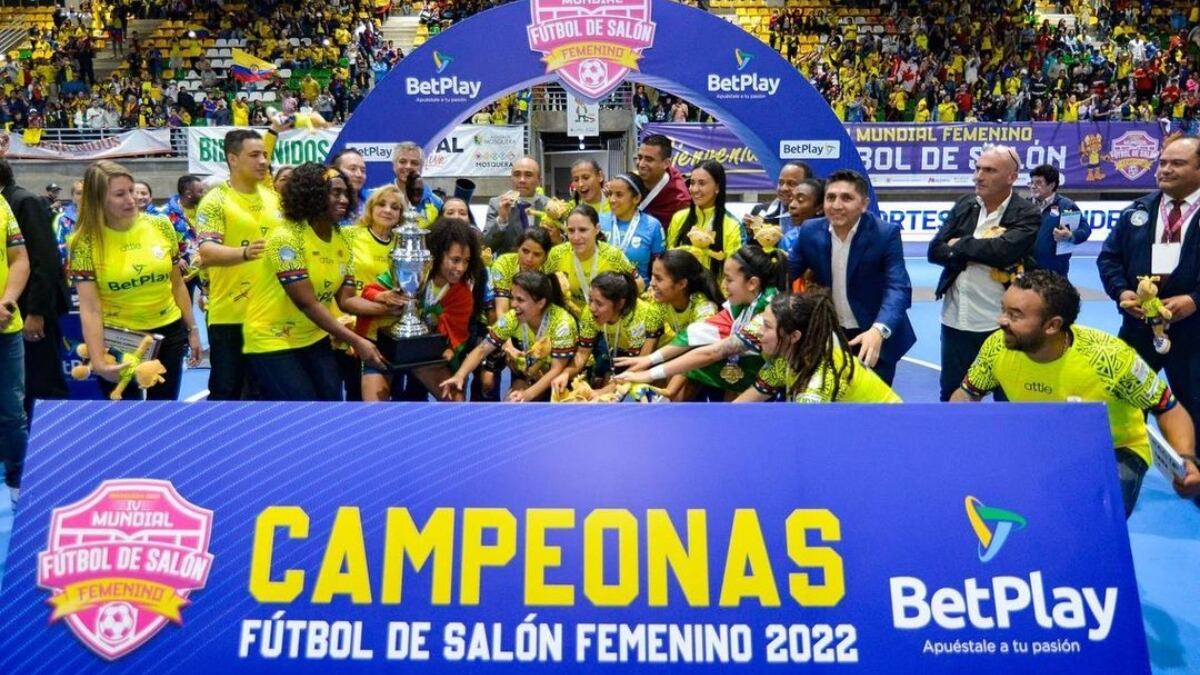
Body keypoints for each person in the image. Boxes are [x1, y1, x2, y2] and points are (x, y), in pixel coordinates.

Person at [952, 270, 1200, 517]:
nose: (1001, 321)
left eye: (1015, 315)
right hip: (1041, 441)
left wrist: (1186, 458)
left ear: (1052, 325)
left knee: (1095, 521)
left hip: (1114, 449)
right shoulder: (997, 346)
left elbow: (1167, 407)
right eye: (1004, 309)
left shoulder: (1109, 358)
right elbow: (966, 396)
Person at [241, 164, 389, 401]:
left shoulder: (341, 239)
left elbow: (346, 300)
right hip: (272, 338)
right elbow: (307, 303)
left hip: (312, 336)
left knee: (330, 401)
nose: (343, 199)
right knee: (303, 406)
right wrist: (357, 341)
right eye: (334, 192)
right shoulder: (286, 238)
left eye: (345, 194)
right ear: (312, 194)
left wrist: (386, 303)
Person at [68, 161, 202, 401]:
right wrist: (98, 360)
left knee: (163, 411)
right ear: (98, 199)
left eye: (131, 190)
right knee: (125, 413)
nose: (131, 199)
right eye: (120, 194)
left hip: (168, 334)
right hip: (119, 339)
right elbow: (89, 308)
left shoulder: (160, 225)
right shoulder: (83, 242)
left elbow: (177, 284)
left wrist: (192, 330)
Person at [1098, 136, 1200, 420]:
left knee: (1196, 409)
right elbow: (1109, 258)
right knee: (1123, 406)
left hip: (1194, 333)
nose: (1165, 169)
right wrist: (1122, 293)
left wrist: (1194, 300)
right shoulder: (1137, 211)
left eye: (1177, 163)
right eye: (1163, 162)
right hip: (1138, 330)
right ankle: (1127, 461)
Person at [927, 145, 1040, 401]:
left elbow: (1003, 252)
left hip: (1002, 326)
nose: (978, 176)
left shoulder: (1027, 213)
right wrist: (981, 250)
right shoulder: (965, 205)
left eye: (989, 170)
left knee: (1008, 397)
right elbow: (935, 250)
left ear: (1011, 177)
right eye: (978, 169)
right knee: (953, 395)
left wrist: (960, 245)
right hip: (956, 322)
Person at [787, 170, 914, 385]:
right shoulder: (809, 231)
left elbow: (898, 288)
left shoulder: (885, 234)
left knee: (871, 411)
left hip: (874, 338)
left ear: (864, 204)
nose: (836, 205)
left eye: (846, 198)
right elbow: (786, 272)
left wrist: (879, 330)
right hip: (829, 335)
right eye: (830, 197)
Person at [617, 245, 787, 399]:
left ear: (752, 283)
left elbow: (712, 353)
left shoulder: (767, 312)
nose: (724, 285)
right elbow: (696, 333)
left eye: (729, 279)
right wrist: (649, 360)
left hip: (788, 380)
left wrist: (650, 374)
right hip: (768, 378)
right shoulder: (744, 305)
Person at [196, 129, 282, 401]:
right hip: (231, 316)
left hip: (272, 317)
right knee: (226, 393)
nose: (263, 161)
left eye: (265, 155)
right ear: (233, 159)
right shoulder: (215, 201)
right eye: (254, 155)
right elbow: (206, 252)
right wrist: (244, 253)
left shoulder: (273, 198)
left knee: (268, 394)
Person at [362, 216, 486, 401]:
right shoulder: (409, 270)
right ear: (436, 253)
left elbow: (457, 335)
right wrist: (383, 296)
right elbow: (369, 291)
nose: (460, 268)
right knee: (372, 411)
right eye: (455, 259)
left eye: (466, 261)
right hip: (388, 351)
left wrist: (450, 350)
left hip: (428, 357)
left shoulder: (461, 293)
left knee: (456, 402)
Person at [735, 290, 901, 403]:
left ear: (794, 336)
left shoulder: (820, 381)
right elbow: (741, 405)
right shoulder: (785, 361)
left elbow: (804, 436)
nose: (759, 332)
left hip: (889, 428)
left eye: (767, 326)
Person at [0, 160, 69, 420]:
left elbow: (46, 261)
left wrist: (36, 313)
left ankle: (54, 449)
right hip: (11, 312)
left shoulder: (23, 201)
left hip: (32, 310)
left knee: (43, 384)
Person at [440, 271, 576, 402]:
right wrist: (459, 376)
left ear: (540, 303)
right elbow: (482, 349)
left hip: (562, 381)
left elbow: (557, 370)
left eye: (520, 300)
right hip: (532, 375)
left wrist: (526, 395)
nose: (513, 304)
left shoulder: (562, 323)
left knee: (523, 401)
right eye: (512, 298)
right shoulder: (513, 317)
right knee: (512, 401)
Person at [552, 271, 663, 394]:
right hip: (627, 356)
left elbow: (641, 366)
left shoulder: (640, 317)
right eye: (590, 300)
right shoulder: (589, 314)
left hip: (660, 359)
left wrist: (603, 391)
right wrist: (565, 374)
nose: (592, 308)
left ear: (620, 304)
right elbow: (582, 354)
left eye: (599, 303)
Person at [346, 185, 404, 401]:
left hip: (389, 331)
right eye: (382, 204)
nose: (388, 210)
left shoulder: (403, 246)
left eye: (395, 207)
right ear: (370, 208)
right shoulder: (350, 235)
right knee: (351, 394)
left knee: (387, 395)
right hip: (350, 327)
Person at [543, 204, 635, 318]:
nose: (576, 237)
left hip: (605, 324)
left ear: (597, 229)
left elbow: (637, 286)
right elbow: (544, 288)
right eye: (571, 230)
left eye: (583, 230)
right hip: (569, 322)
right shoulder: (556, 254)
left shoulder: (614, 256)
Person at [666, 160, 745, 282]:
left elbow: (735, 274)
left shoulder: (732, 225)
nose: (695, 189)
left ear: (717, 187)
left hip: (717, 298)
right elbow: (669, 260)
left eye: (702, 183)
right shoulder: (679, 218)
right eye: (692, 183)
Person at [1, 196, 29, 503]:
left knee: (12, 412)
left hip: (5, 325)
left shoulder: (1, 204)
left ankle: (17, 484)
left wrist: (7, 301)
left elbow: (19, 258)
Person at [599, 173, 665, 283]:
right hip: (604, 293)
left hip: (639, 294)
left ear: (636, 198)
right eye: (610, 194)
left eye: (619, 195)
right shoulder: (599, 221)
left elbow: (660, 265)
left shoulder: (652, 226)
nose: (612, 200)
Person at [1029, 164, 1089, 275]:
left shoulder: (1066, 206)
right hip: (1026, 269)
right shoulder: (1025, 205)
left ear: (1051, 185)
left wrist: (1071, 235)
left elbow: (1085, 229)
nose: (1033, 186)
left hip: (1054, 272)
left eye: (1038, 183)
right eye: (1031, 182)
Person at [483, 157, 549, 255]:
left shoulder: (549, 206)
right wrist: (502, 220)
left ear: (539, 180)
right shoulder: (497, 204)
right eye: (517, 175)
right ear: (511, 178)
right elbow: (486, 246)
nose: (522, 180)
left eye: (528, 175)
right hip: (509, 269)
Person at [491, 228, 553, 316]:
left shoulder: (550, 271)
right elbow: (502, 310)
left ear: (545, 257)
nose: (529, 259)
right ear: (518, 248)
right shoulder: (504, 263)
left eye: (537, 254)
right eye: (525, 251)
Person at [635, 134, 691, 228]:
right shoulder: (632, 181)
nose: (641, 164)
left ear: (666, 163)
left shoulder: (679, 199)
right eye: (639, 158)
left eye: (649, 160)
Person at [390, 141, 442, 223]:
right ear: (394, 165)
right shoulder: (378, 198)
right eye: (402, 162)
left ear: (421, 167)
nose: (408, 166)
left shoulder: (436, 202)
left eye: (414, 163)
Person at [746, 162, 810, 227]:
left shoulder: (814, 217)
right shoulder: (759, 212)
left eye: (792, 183)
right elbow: (751, 236)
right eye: (781, 183)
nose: (784, 188)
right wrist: (747, 230)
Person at [330, 148, 368, 221]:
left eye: (363, 170)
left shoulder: (374, 199)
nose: (359, 174)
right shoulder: (326, 204)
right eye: (353, 169)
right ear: (336, 171)